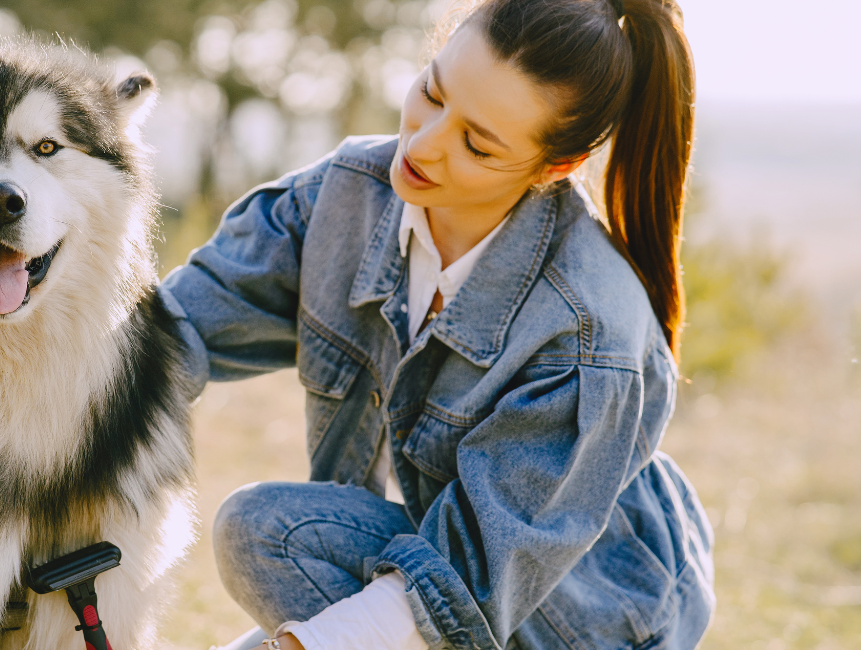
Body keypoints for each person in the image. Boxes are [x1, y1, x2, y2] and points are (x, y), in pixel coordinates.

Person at [157, 0, 715, 648]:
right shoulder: (344, 198)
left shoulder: (588, 331)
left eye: (477, 144)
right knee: (268, 531)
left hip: (589, 612)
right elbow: (166, 335)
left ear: (555, 167)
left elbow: (468, 582)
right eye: (431, 92)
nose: (423, 144)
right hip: (447, 567)